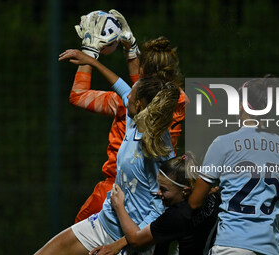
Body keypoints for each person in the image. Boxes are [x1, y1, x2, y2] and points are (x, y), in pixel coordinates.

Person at [35, 42, 180, 254]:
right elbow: (120, 85)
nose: (127, 96)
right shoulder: (135, 120)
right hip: (103, 222)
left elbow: (158, 214)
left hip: (130, 241)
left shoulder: (158, 149)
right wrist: (90, 60)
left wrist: (119, 244)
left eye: (132, 95)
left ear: (140, 104)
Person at [70, 10, 187, 223]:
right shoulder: (179, 102)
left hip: (116, 191)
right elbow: (143, 88)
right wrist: (132, 50)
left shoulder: (126, 104)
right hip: (156, 197)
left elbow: (78, 96)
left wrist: (90, 53)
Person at [188, 77, 279, 255]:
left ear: (242, 105)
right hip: (269, 247)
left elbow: (195, 202)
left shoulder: (223, 143)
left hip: (231, 244)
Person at [89, 153, 220, 255]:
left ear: (185, 191)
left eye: (164, 189)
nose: (158, 193)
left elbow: (136, 240)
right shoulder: (211, 195)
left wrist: (119, 206)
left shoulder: (177, 215)